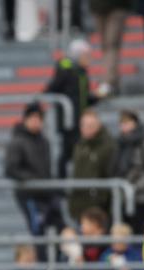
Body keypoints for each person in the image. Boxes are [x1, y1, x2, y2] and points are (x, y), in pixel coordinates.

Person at [4, 102, 64, 258]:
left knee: (60, 228)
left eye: (39, 118)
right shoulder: (17, 142)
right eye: (33, 118)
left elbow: (47, 170)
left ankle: (57, 268)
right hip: (29, 196)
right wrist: (34, 181)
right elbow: (11, 169)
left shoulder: (44, 141)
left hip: (46, 194)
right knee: (39, 234)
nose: (36, 122)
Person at [45, 39, 99, 178]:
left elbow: (84, 98)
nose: (89, 59)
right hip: (68, 121)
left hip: (81, 121)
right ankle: (61, 184)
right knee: (68, 152)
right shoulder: (66, 68)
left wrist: (99, 96)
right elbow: (52, 87)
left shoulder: (82, 73)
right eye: (86, 55)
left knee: (76, 153)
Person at [71, 110, 117, 221]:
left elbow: (111, 173)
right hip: (81, 203)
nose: (86, 128)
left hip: (100, 205)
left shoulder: (108, 146)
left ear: (98, 126)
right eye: (83, 125)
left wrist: (103, 200)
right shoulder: (80, 145)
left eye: (90, 125)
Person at [89, 0, 133, 97]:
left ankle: (108, 81)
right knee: (107, 46)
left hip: (114, 7)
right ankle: (110, 81)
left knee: (111, 45)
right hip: (104, 6)